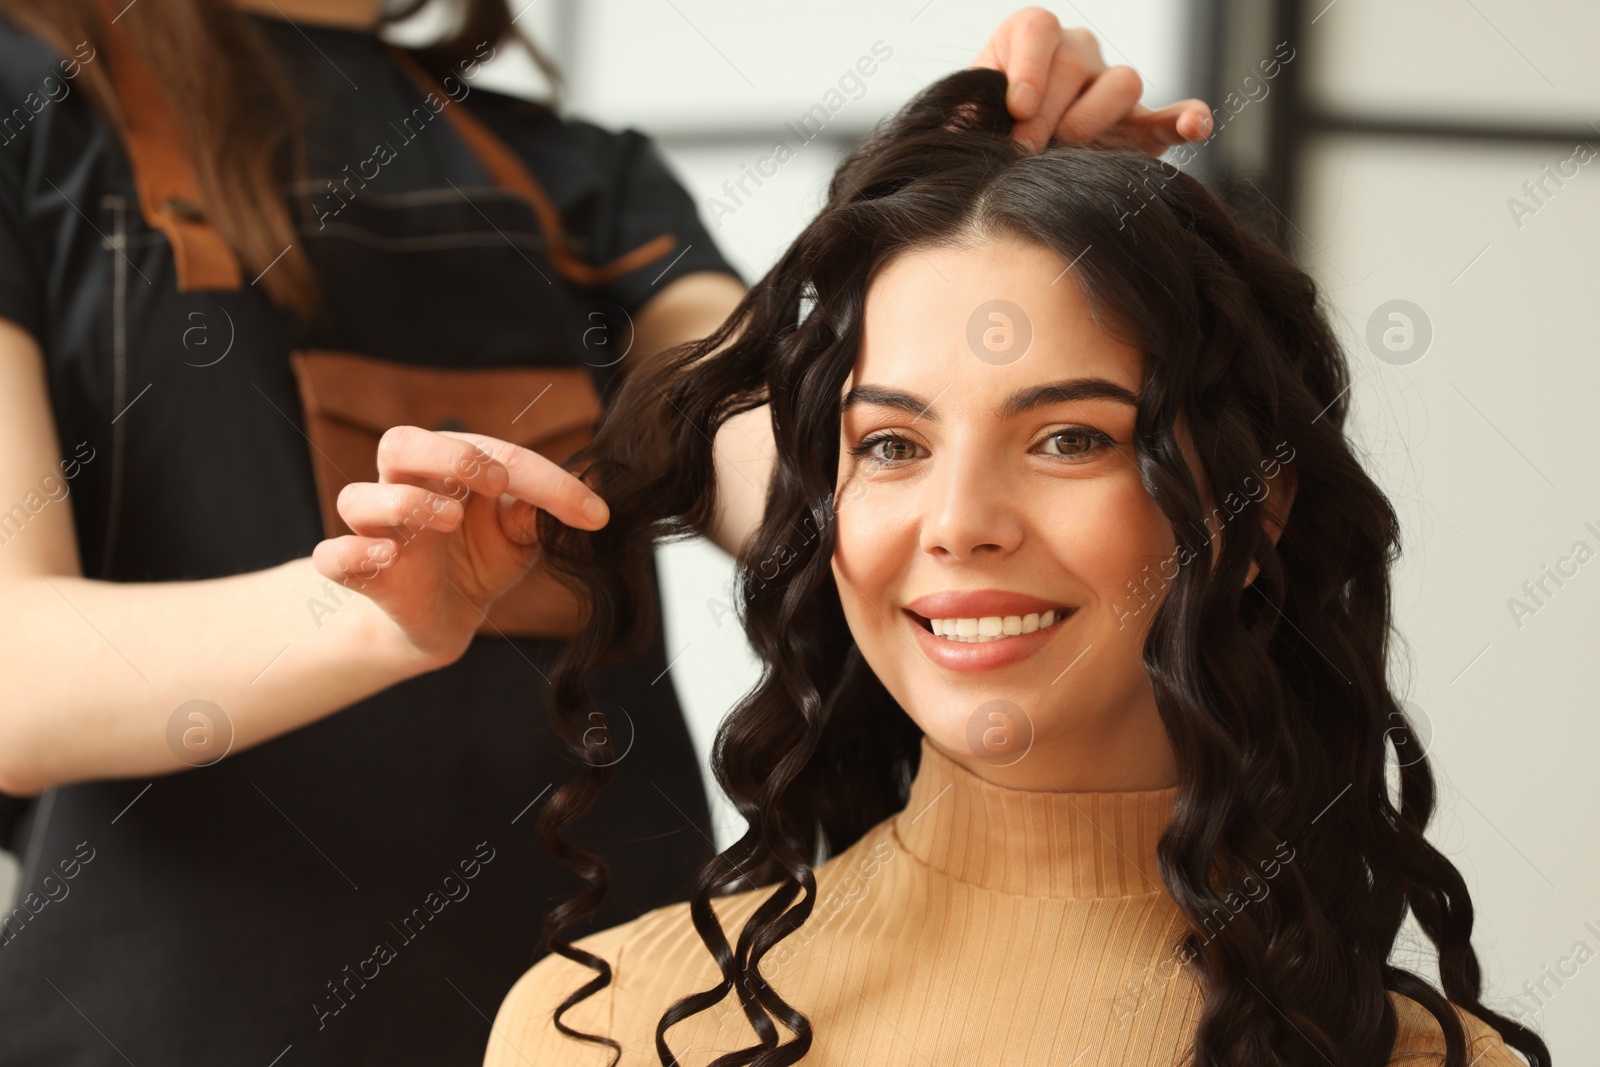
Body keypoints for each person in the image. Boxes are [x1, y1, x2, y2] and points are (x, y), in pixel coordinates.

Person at [0, 0, 1209, 1062]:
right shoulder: (30, 117)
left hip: (619, 1004)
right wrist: (367, 616)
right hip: (170, 1010)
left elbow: (791, 485)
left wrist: (1014, 243)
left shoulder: (580, 176)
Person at [480, 68, 1554, 1066]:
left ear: (1252, 507)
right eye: (891, 446)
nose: (958, 522)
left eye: (1068, 438)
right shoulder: (606, 1024)